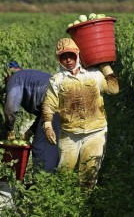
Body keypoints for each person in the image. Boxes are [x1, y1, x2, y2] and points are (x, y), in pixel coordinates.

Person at [42, 38, 119, 189]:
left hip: (95, 132)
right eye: (63, 57)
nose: (68, 60)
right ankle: (63, 205)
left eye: (71, 55)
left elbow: (113, 89)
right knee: (64, 173)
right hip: (70, 134)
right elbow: (49, 103)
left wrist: (105, 65)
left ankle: (84, 203)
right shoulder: (57, 80)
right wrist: (47, 125)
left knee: (89, 174)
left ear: (77, 54)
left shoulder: (94, 75)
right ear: (59, 60)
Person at [4, 61, 59, 173]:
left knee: (41, 146)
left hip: (54, 105)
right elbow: (42, 112)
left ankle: (41, 183)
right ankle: (51, 180)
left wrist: (10, 129)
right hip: (64, 104)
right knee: (53, 145)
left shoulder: (15, 78)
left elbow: (11, 108)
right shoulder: (28, 76)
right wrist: (30, 131)